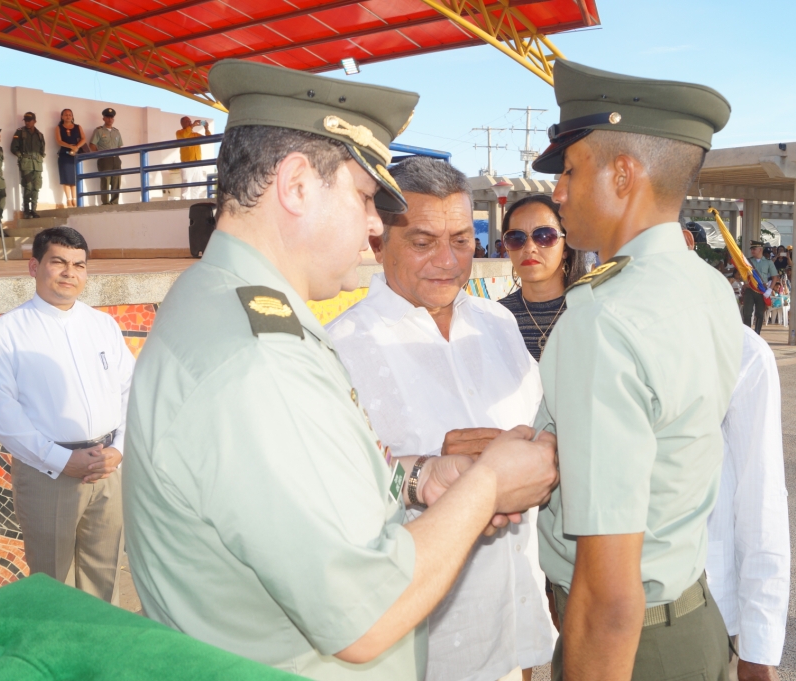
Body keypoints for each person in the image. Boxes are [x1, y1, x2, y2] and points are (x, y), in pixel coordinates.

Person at [122, 60, 559, 681]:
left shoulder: (224, 305)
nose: (374, 224)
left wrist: (419, 479)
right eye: (362, 196)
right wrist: (486, 485)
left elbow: (315, 488)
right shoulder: (259, 360)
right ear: (297, 185)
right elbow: (364, 613)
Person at [529, 58, 743, 681]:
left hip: (627, 651)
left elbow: (608, 592)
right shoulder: (707, 287)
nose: (558, 191)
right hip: (694, 625)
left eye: (571, 170)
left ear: (623, 175)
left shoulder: (605, 317)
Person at [327, 157, 554, 681]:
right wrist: (430, 470)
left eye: (462, 240)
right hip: (423, 649)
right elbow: (331, 503)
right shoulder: (341, 349)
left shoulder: (499, 323)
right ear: (378, 242)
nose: (448, 261)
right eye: (423, 241)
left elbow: (543, 432)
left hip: (515, 627)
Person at [0, 227, 133, 603]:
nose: (69, 273)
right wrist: (62, 460)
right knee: (52, 582)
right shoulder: (4, 333)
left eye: (79, 265)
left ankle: (99, 638)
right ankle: (54, 639)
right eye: (58, 262)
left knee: (104, 575)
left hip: (108, 469)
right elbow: (1, 413)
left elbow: (131, 390)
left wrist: (120, 449)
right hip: (47, 474)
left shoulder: (102, 325)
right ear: (34, 267)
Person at [706, 326, 791, 681]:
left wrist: (758, 648)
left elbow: (761, 500)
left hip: (705, 611)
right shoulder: (593, 327)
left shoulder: (740, 349)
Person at [499, 194, 580, 361]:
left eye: (545, 236)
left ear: (566, 246)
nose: (529, 248)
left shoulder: (592, 312)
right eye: (516, 238)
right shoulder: (496, 318)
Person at [11, 112, 46, 219]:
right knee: (28, 186)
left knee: (36, 186)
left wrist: (40, 157)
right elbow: (13, 148)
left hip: (37, 164)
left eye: (29, 120)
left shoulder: (39, 134)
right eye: (25, 120)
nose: (27, 122)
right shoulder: (20, 132)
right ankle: (26, 210)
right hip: (26, 163)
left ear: (34, 121)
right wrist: (21, 157)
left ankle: (34, 210)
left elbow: (42, 149)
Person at [741, 242, 778, 335]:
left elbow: (775, 277)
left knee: (760, 314)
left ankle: (757, 333)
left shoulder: (768, 262)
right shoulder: (748, 261)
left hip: (762, 291)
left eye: (754, 249)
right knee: (747, 313)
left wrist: (770, 290)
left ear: (760, 250)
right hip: (750, 290)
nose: (752, 251)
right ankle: (747, 334)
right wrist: (745, 283)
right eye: (751, 249)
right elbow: (742, 273)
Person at [89, 108, 124, 205]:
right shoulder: (99, 131)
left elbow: (119, 145)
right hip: (105, 159)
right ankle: (105, 203)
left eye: (111, 117)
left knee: (116, 180)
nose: (110, 119)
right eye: (108, 117)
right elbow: (92, 145)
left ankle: (115, 202)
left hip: (116, 159)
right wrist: (100, 155)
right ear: (103, 118)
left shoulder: (116, 132)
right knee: (105, 180)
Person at [173, 117, 212, 200]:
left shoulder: (195, 134)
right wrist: (193, 125)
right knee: (186, 187)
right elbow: (184, 135)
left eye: (190, 121)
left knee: (196, 187)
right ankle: (184, 204)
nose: (190, 122)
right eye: (187, 121)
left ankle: (195, 204)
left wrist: (206, 128)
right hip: (187, 164)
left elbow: (209, 139)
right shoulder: (179, 132)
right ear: (182, 123)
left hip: (198, 164)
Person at [56, 109, 86, 208]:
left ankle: (74, 199)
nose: (68, 116)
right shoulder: (59, 127)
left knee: (75, 178)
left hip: (76, 154)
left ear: (72, 116)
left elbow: (83, 139)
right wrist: (70, 146)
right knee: (66, 177)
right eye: (66, 115)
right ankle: (68, 200)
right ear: (62, 117)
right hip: (64, 154)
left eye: (70, 115)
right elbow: (59, 141)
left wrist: (76, 147)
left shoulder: (78, 127)